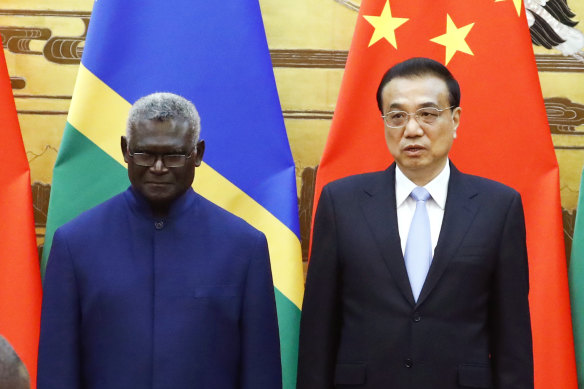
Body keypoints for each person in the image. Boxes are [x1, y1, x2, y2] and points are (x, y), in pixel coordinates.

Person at [297, 57, 533, 388]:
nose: (412, 129)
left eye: (428, 114)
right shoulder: (342, 203)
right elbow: (318, 332)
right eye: (396, 116)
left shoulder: (498, 207)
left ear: (455, 119)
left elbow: (513, 341)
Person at [38, 92, 282, 389]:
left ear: (198, 154)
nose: (157, 167)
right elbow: (57, 371)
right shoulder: (74, 244)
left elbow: (261, 373)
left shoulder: (245, 248)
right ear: (125, 150)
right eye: (145, 154)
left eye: (173, 155)